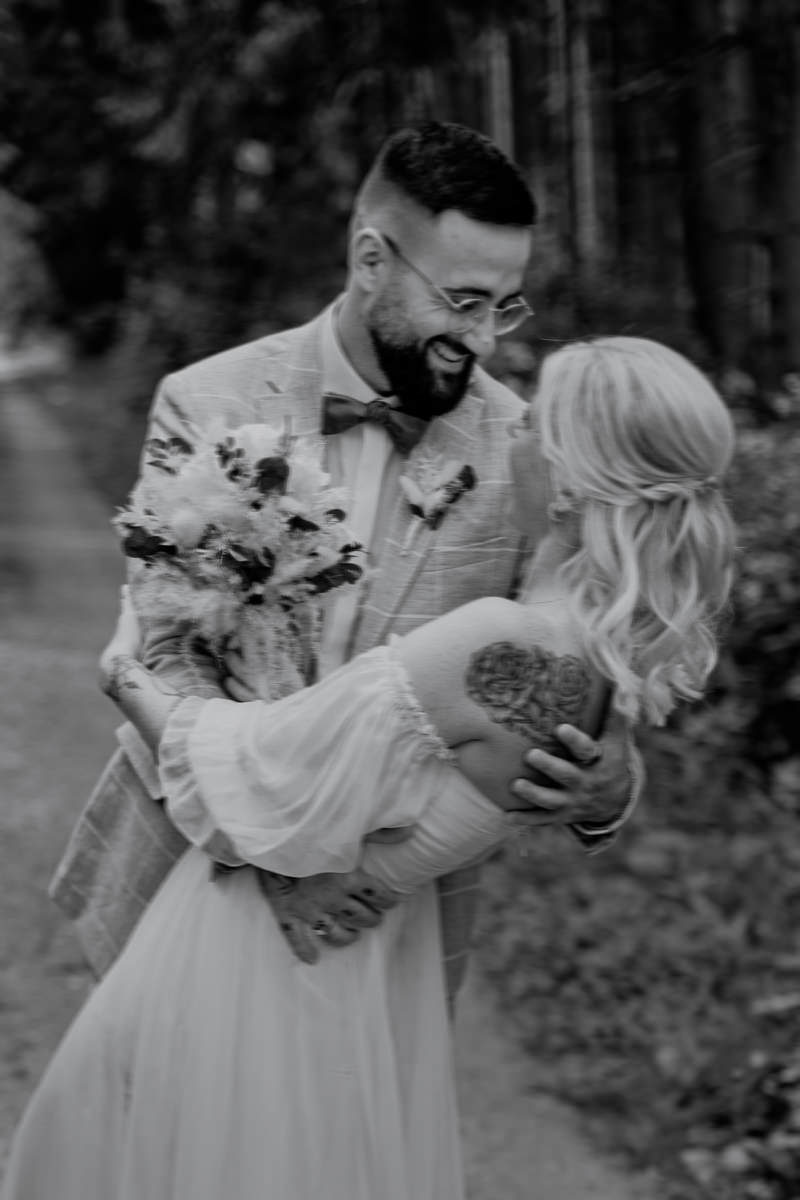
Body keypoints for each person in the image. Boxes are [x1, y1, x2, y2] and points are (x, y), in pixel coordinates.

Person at [1, 336, 736, 1200]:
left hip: (263, 944)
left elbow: (261, 769)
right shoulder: (608, 657)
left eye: (535, 426)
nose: (514, 434)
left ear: (574, 481)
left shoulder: (498, 636)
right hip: (368, 952)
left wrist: (123, 671)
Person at [49, 120, 636, 1002]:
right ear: (371, 261)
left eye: (505, 305)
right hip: (195, 869)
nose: (484, 338)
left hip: (381, 916)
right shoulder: (205, 400)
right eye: (463, 300)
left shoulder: (526, 446)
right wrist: (277, 853)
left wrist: (611, 786)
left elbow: (571, 653)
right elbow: (168, 649)